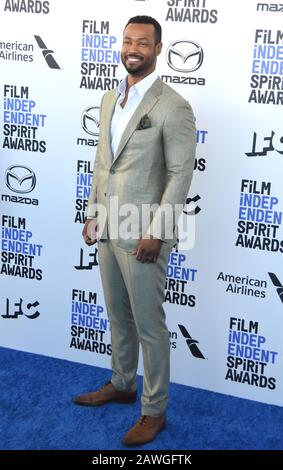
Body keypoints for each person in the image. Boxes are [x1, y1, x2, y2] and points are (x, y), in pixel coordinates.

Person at [73, 15, 196, 446]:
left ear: (158, 49)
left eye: (143, 42)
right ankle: (123, 384)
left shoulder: (173, 106)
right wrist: (92, 213)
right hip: (108, 228)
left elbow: (180, 174)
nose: (133, 48)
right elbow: (102, 162)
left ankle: (154, 409)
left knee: (150, 327)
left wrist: (157, 232)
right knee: (118, 317)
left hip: (143, 235)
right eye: (128, 41)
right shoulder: (110, 99)